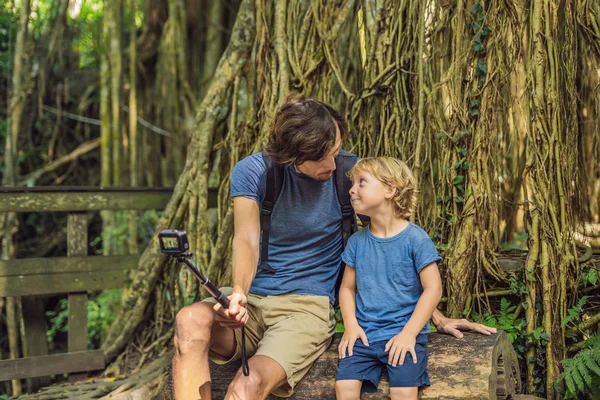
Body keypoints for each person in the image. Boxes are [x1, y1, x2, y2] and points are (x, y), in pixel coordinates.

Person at [172, 97, 497, 400]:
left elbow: (389, 249)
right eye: (320, 157)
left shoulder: (352, 177)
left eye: (336, 149)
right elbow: (245, 238)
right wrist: (239, 293)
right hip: (252, 302)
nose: (333, 162)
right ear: (292, 156)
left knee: (248, 385)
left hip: (305, 309)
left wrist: (435, 318)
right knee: (190, 321)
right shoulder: (255, 172)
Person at [335, 157, 441, 400]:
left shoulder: (416, 239)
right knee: (344, 387)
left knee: (403, 392)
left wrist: (409, 334)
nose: (352, 189)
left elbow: (433, 289)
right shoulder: (357, 243)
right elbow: (347, 289)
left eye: (362, 182)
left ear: (390, 190)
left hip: (402, 333)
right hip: (364, 335)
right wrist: (351, 326)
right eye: (353, 183)